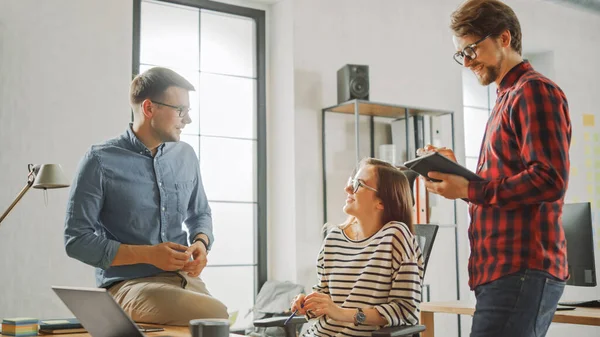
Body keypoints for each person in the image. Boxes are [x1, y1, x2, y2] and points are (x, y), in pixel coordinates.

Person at [423, 1, 571, 336]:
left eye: (472, 49)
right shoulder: (506, 98)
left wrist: (470, 189)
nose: (467, 61)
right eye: (461, 54)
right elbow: (506, 187)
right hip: (503, 271)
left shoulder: (533, 90)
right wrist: (461, 178)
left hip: (521, 268)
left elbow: (549, 180)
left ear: (504, 38)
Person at [64, 67, 228, 325]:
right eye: (180, 111)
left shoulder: (185, 155)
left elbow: (200, 213)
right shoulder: (99, 160)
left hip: (185, 282)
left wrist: (201, 243)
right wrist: (148, 254)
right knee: (213, 314)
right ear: (149, 108)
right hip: (128, 286)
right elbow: (76, 240)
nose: (187, 120)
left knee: (215, 320)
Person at [291, 158, 424, 337]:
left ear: (382, 203)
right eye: (351, 182)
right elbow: (324, 303)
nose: (348, 189)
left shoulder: (396, 236)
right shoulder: (334, 238)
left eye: (359, 184)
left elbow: (405, 311)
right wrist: (307, 305)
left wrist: (342, 313)